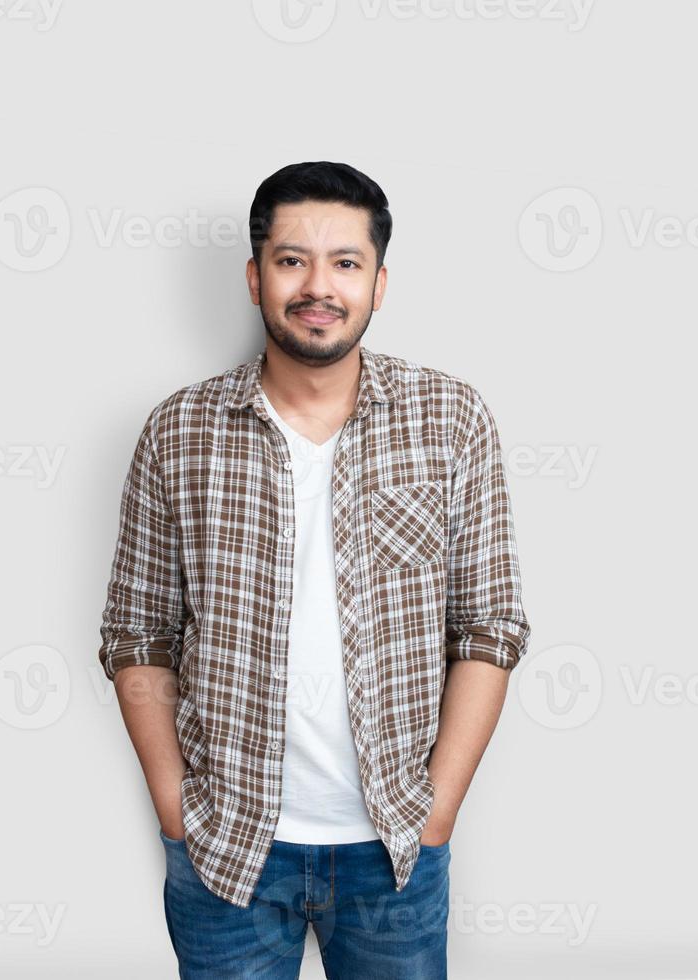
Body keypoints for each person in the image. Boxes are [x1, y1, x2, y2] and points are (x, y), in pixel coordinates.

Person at [97, 160, 531, 979]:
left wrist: (435, 812)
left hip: (395, 852)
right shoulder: (179, 431)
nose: (318, 286)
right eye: (293, 260)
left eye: (345, 262)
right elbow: (137, 633)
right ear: (255, 278)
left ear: (380, 281)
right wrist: (172, 803)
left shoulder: (452, 419)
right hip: (226, 850)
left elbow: (489, 628)